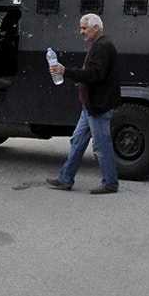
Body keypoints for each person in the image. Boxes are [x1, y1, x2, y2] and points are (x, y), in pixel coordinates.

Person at [46, 13, 122, 194]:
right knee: (78, 141)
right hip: (90, 104)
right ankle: (65, 178)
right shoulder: (100, 45)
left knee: (101, 146)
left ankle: (110, 183)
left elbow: (94, 74)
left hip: (98, 106)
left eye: (84, 28)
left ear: (96, 28)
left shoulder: (102, 47)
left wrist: (66, 71)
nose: (81, 32)